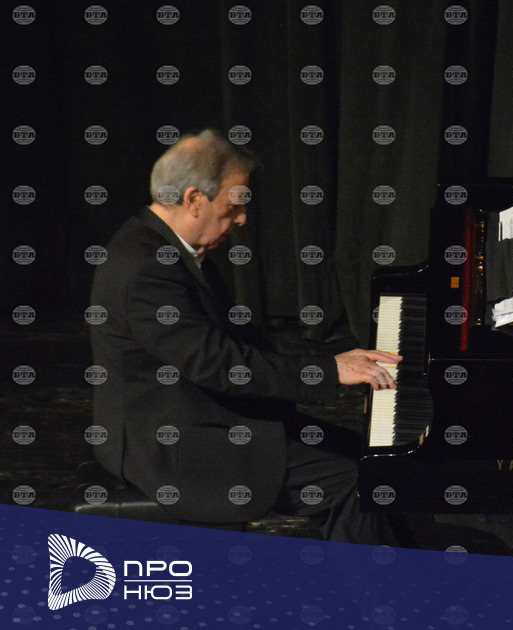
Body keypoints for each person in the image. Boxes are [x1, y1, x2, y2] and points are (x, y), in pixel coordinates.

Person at [90, 129, 401, 544]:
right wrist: (328, 373)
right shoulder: (148, 270)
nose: (241, 219)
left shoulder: (166, 247)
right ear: (194, 199)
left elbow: (242, 341)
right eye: (233, 206)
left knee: (367, 455)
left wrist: (335, 362)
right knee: (352, 481)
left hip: (200, 415)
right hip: (176, 448)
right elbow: (220, 365)